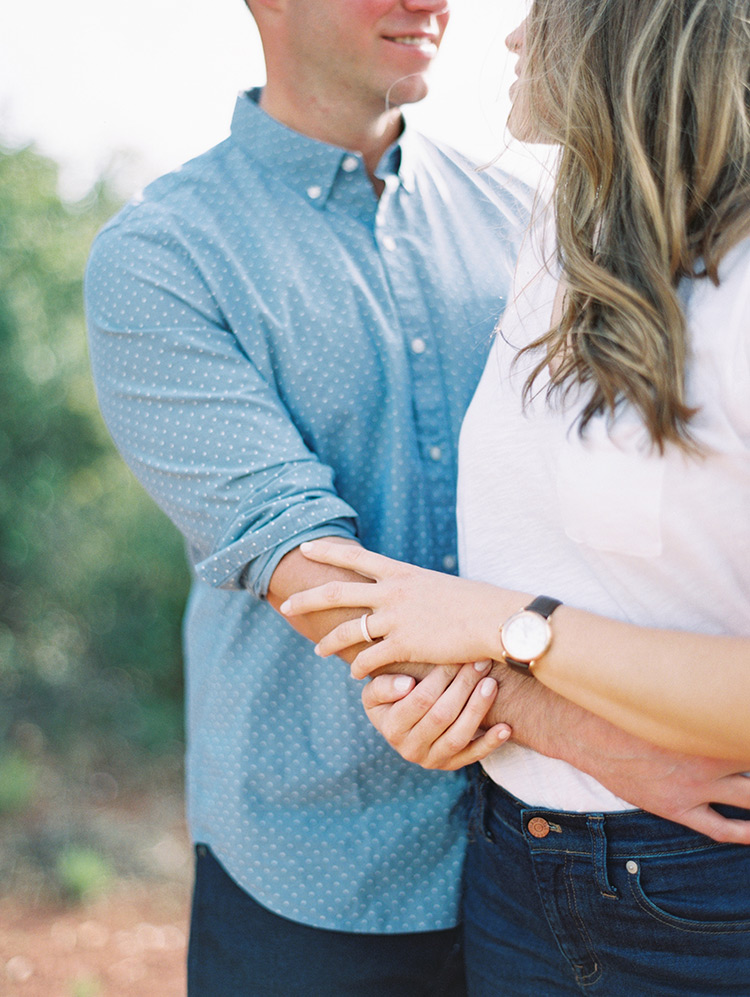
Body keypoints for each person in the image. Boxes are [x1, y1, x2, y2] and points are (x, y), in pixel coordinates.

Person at [279, 1, 750, 994]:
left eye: (545, 11)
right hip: (514, 865)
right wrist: (494, 701)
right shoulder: (561, 235)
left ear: (628, 36)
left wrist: (509, 627)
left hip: (712, 890)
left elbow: (503, 608)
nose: (511, 36)